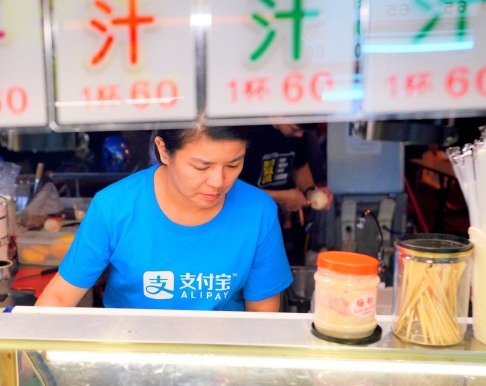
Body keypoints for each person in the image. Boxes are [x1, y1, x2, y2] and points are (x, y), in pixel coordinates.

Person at [35, 116, 293, 311]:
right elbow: (60, 296)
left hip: (224, 369)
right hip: (131, 362)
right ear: (164, 150)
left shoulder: (258, 212)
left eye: (233, 164)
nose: (218, 181)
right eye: (201, 166)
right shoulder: (114, 206)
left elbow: (263, 317)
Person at [239, 121, 333, 265]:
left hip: (276, 224)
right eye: (295, 129)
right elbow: (236, 191)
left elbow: (299, 165)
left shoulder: (298, 132)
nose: (299, 135)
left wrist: (310, 191)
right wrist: (284, 197)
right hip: (244, 224)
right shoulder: (249, 131)